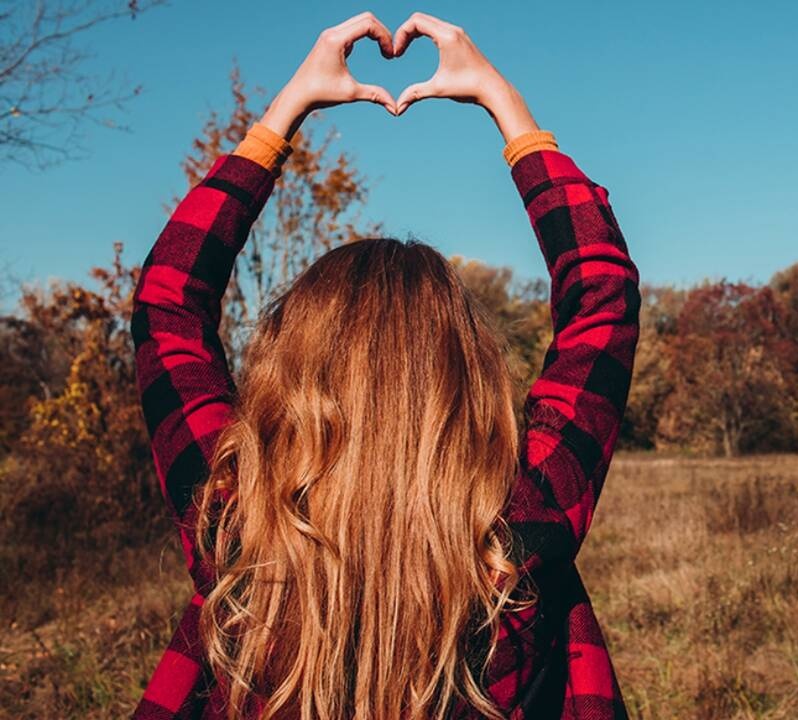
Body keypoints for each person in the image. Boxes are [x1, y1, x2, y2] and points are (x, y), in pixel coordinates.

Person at [130, 12, 639, 719]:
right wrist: (506, 107)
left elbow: (167, 307)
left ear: (291, 374)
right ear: (464, 380)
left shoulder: (235, 529)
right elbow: (602, 295)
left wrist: (284, 115)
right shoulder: (519, 536)